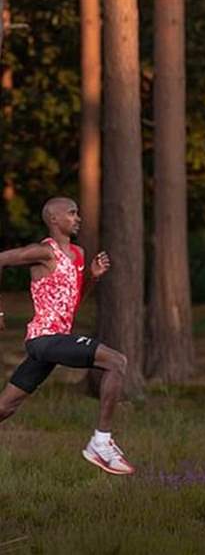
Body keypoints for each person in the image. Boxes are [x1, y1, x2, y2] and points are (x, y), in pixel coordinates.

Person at [0, 197, 134, 475]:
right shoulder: (42, 252)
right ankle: (101, 441)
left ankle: (101, 442)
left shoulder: (78, 254)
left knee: (6, 407)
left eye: (78, 213)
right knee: (116, 361)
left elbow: (72, 303)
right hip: (44, 340)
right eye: (71, 213)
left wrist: (93, 277)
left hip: (55, 342)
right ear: (54, 219)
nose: (78, 218)